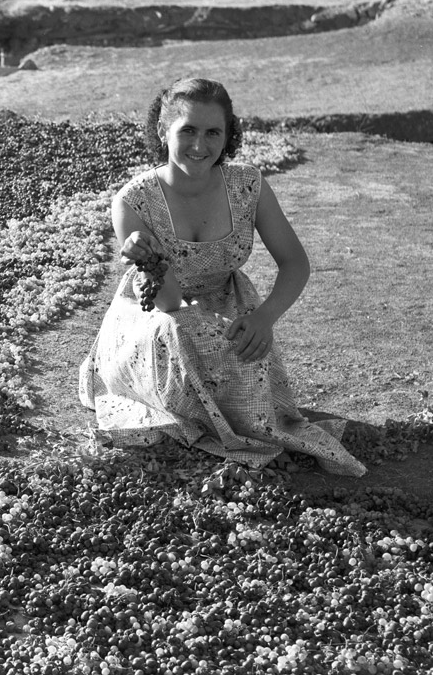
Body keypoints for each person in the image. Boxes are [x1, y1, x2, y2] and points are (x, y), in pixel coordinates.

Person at [78, 76, 366, 476]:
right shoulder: (133, 200)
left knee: (242, 360)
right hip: (155, 318)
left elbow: (295, 263)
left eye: (213, 132)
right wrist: (151, 260)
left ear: (229, 134)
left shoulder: (248, 185)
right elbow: (169, 304)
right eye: (188, 131)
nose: (200, 146)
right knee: (179, 331)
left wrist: (264, 318)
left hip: (232, 305)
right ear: (164, 131)